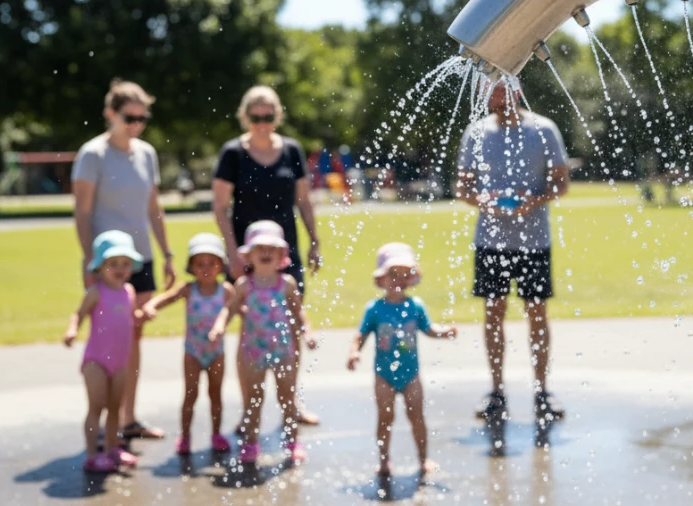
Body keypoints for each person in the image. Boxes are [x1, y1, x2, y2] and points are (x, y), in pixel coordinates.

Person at [455, 79, 570, 424]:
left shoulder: (543, 130)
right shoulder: (476, 133)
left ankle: (542, 390)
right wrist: (485, 202)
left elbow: (561, 183)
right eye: (490, 91)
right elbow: (463, 187)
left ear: (517, 91)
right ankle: (496, 390)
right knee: (493, 313)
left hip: (533, 240)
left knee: (536, 313)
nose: (496, 97)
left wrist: (533, 200)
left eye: (502, 89)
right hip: (491, 240)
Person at [72, 79, 176, 442]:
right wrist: (90, 262)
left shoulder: (146, 153)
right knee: (108, 337)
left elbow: (153, 206)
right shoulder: (93, 154)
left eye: (142, 117)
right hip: (107, 265)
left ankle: (126, 418)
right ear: (110, 113)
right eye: (129, 116)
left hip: (141, 259)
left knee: (134, 337)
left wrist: (166, 253)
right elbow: (82, 213)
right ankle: (102, 421)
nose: (136, 124)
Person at [212, 85, 321, 425]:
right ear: (245, 117)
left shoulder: (291, 150)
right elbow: (219, 207)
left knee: (290, 322)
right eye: (256, 116)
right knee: (250, 328)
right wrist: (231, 251)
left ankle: (291, 402)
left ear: (278, 116)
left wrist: (314, 239)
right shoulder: (232, 153)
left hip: (285, 255)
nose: (262, 122)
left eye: (268, 116)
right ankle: (250, 408)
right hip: (248, 256)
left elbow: (303, 200)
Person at [348, 243, 457, 480]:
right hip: (383, 375)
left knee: (416, 416)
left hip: (411, 375)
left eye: (404, 274)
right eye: (392, 274)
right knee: (385, 418)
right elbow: (361, 334)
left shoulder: (415, 306)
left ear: (412, 278)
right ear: (381, 279)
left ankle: (423, 458)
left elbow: (428, 329)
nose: (398, 279)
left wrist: (444, 332)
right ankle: (384, 460)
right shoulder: (375, 309)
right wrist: (354, 352)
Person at [209, 221, 307, 465]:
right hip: (252, 351)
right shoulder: (244, 285)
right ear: (249, 255)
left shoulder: (287, 284)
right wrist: (219, 326)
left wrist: (308, 333)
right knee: (252, 399)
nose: (265, 253)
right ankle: (251, 442)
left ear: (281, 255)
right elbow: (228, 310)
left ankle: (292, 440)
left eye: (271, 249)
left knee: (287, 397)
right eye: (259, 248)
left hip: (283, 350)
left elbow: (298, 313)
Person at [141, 233, 236, 456]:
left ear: (220, 266)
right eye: (199, 263)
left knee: (215, 395)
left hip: (216, 352)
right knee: (190, 395)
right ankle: (185, 436)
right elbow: (166, 298)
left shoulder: (226, 291)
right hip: (193, 352)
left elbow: (235, 308)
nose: (206, 268)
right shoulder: (188, 289)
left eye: (211, 263)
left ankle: (216, 434)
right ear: (191, 266)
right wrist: (151, 306)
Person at [64, 231, 145, 473]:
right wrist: (72, 330)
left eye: (125, 264)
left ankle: (113, 448)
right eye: (113, 264)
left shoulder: (128, 292)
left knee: (115, 408)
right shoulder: (96, 292)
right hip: (96, 361)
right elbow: (78, 314)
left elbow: (129, 317)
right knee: (96, 407)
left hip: (120, 362)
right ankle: (92, 454)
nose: (120, 269)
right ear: (100, 267)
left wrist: (142, 315)